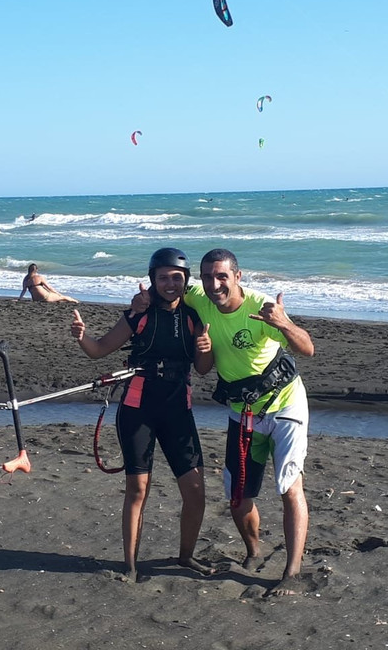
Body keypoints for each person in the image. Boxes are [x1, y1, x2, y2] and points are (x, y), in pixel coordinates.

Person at [135, 248, 315, 597]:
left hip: (284, 403)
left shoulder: (261, 307)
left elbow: (307, 349)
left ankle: (291, 572)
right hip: (242, 409)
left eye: (222, 276)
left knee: (290, 486)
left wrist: (283, 323)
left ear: (237, 277)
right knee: (237, 497)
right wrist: (139, 302)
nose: (214, 284)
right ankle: (254, 550)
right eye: (207, 276)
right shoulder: (199, 297)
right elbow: (165, 288)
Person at [71, 248, 214, 582]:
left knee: (195, 491)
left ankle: (185, 557)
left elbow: (204, 370)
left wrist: (204, 348)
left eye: (176, 278)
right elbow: (98, 350)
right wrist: (82, 337)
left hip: (179, 410)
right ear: (153, 280)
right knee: (138, 489)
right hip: (138, 410)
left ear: (185, 281)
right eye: (162, 277)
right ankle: (130, 565)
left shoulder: (193, 318)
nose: (169, 284)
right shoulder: (138, 315)